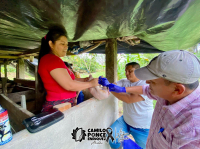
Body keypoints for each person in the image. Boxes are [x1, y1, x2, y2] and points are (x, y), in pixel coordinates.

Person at [99, 50, 200, 149]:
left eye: (152, 82)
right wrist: (121, 89)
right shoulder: (168, 93)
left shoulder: (192, 127)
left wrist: (114, 90)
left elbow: (129, 98)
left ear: (177, 89)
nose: (146, 82)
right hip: (131, 123)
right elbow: (146, 89)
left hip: (142, 127)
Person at [38, 25, 98, 112]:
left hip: (59, 103)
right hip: (60, 105)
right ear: (51, 44)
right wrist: (91, 84)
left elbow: (68, 80)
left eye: (66, 44)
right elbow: (69, 85)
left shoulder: (48, 59)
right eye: (62, 44)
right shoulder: (52, 60)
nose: (66, 47)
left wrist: (85, 80)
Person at [99, 62, 154, 149]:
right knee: (112, 136)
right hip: (126, 121)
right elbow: (114, 85)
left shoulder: (145, 85)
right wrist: (108, 84)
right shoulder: (125, 81)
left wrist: (110, 88)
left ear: (138, 71)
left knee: (146, 147)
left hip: (142, 126)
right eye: (126, 71)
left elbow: (129, 99)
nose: (127, 73)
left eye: (130, 71)